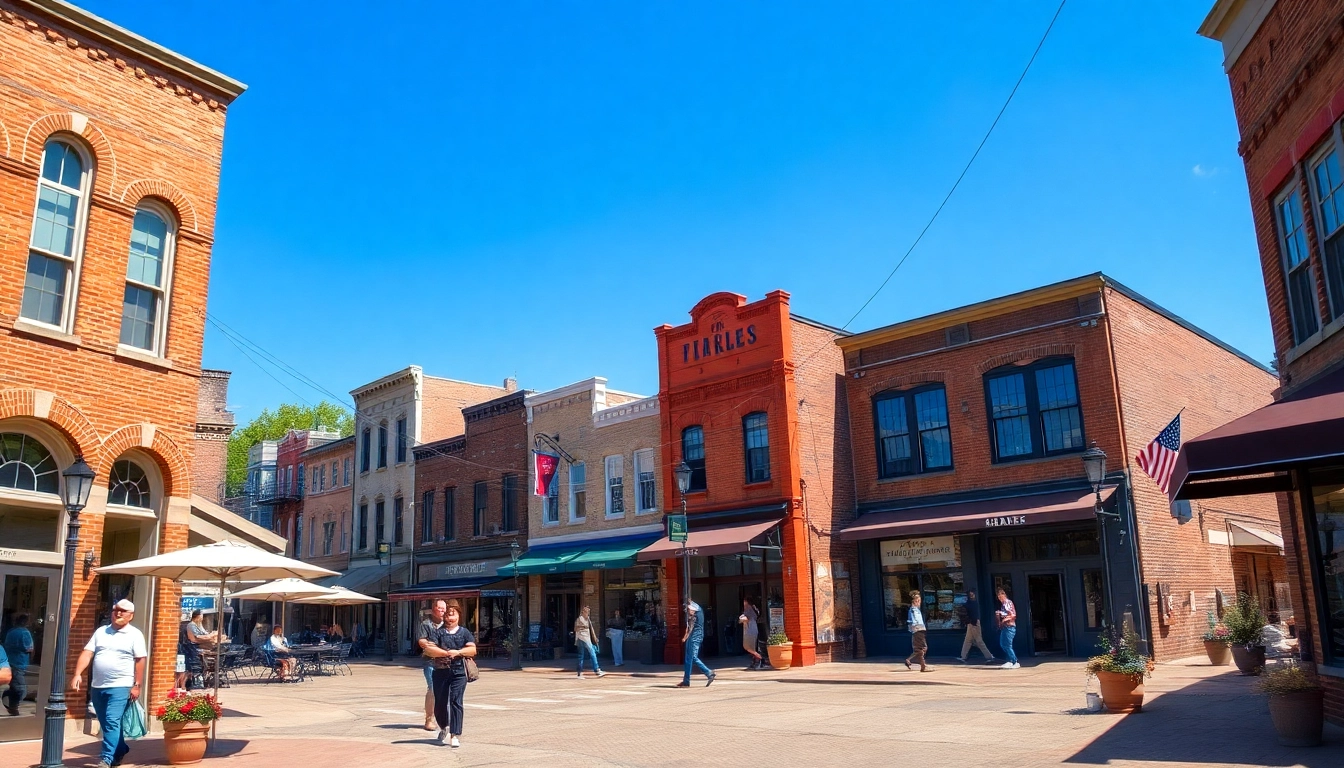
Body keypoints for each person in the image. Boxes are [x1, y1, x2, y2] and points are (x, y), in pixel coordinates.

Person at [72, 599, 146, 768]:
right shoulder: (101, 631)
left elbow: (140, 660)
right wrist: (78, 673)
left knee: (112, 721)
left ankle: (106, 758)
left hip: (121, 686)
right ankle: (120, 749)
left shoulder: (135, 634)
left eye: (123, 611)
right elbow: (87, 653)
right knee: (107, 723)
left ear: (131, 616)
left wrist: (137, 685)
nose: (118, 613)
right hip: (98, 686)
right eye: (116, 610)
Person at [418, 598, 476, 748]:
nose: (450, 617)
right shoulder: (439, 632)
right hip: (441, 671)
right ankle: (444, 726)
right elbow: (429, 649)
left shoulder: (465, 632)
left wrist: (458, 652)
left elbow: (472, 649)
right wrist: (445, 653)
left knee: (456, 701)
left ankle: (455, 734)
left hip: (459, 672)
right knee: (440, 703)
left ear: (459, 616)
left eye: (453, 614)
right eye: (448, 615)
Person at [417, 602, 446, 731]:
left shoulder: (448, 625)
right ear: (433, 610)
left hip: (446, 661)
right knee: (432, 688)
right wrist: (432, 648)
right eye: (439, 608)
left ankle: (444, 718)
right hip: (431, 661)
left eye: (443, 608)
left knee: (445, 691)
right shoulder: (426, 624)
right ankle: (429, 719)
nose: (442, 611)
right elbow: (421, 640)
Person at [677, 597, 715, 688]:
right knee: (688, 659)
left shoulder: (693, 610)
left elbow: (690, 627)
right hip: (695, 636)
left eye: (687, 608)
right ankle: (686, 681)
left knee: (692, 657)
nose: (687, 610)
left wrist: (684, 638)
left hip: (694, 636)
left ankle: (709, 673)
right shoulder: (698, 608)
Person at [3, 613, 33, 715]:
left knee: (14, 686)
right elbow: (29, 648)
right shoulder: (25, 633)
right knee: (21, 690)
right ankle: (10, 703)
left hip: (9, 661)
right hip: (19, 663)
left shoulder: (11, 631)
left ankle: (13, 708)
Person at [957, 590, 996, 664]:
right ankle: (963, 657)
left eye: (972, 595)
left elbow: (973, 614)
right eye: (970, 595)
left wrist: (972, 622)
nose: (972, 596)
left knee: (979, 641)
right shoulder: (973, 603)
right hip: (971, 623)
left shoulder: (971, 603)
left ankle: (989, 656)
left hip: (974, 623)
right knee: (968, 640)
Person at [573, 605, 605, 678]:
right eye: (586, 612)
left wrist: (594, 638)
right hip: (582, 638)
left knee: (581, 656)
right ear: (583, 612)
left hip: (585, 638)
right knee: (592, 653)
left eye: (588, 612)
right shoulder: (580, 619)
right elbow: (575, 628)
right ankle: (597, 669)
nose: (588, 613)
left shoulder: (587, 619)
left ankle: (579, 673)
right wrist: (583, 627)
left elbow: (591, 630)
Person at [904, 592, 932, 672]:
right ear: (915, 601)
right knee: (922, 648)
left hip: (918, 629)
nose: (919, 603)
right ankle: (921, 665)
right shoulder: (913, 610)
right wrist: (917, 627)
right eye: (918, 601)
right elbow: (913, 621)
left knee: (919, 648)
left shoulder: (915, 610)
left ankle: (913, 661)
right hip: (918, 630)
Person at [996, 588, 1020, 669]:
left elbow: (1013, 615)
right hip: (1006, 626)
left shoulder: (1007, 603)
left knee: (1007, 645)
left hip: (1009, 626)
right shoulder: (1004, 604)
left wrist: (1003, 618)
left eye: (1001, 596)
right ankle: (1010, 660)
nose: (1000, 598)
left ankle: (1014, 661)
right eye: (998, 596)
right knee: (1003, 644)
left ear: (1004, 595)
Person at [739, 600, 763, 670]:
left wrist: (741, 618)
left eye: (746, 604)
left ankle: (760, 659)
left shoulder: (750, 612)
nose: (745, 606)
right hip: (748, 632)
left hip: (751, 632)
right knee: (748, 647)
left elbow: (745, 619)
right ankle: (755, 661)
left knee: (749, 647)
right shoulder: (747, 612)